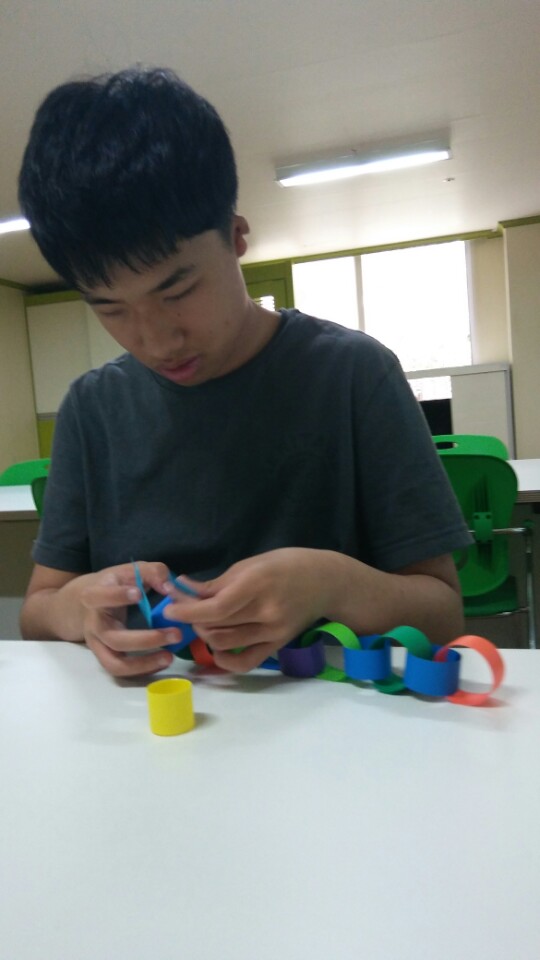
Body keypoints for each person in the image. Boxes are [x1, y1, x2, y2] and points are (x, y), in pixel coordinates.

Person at [18, 66, 471, 678]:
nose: (156, 340)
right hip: (149, 719)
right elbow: (38, 609)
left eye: (177, 290)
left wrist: (331, 583)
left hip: (331, 716)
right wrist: (77, 607)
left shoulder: (354, 375)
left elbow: (443, 613)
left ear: (235, 239)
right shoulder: (91, 409)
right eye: (110, 308)